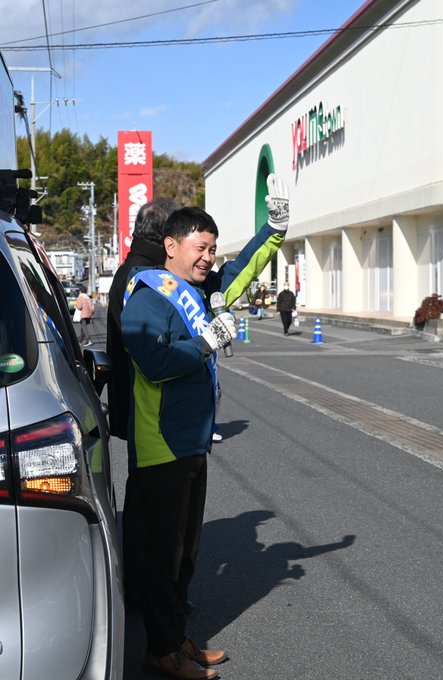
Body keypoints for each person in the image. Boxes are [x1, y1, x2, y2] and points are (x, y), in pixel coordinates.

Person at [120, 174, 289, 680]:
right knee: (164, 556)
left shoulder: (196, 287)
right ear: (171, 246)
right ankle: (162, 651)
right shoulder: (147, 296)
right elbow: (153, 361)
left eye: (212, 248)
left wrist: (273, 231)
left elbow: (239, 273)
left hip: (191, 442)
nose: (209, 257)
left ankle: (175, 640)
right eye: (201, 247)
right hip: (162, 444)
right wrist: (206, 343)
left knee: (185, 553)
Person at [106, 197, 178, 612]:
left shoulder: (130, 269)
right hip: (148, 407)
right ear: (167, 238)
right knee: (152, 508)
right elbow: (154, 352)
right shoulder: (145, 277)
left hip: (135, 404)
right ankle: (145, 595)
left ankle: (140, 589)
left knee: (143, 503)